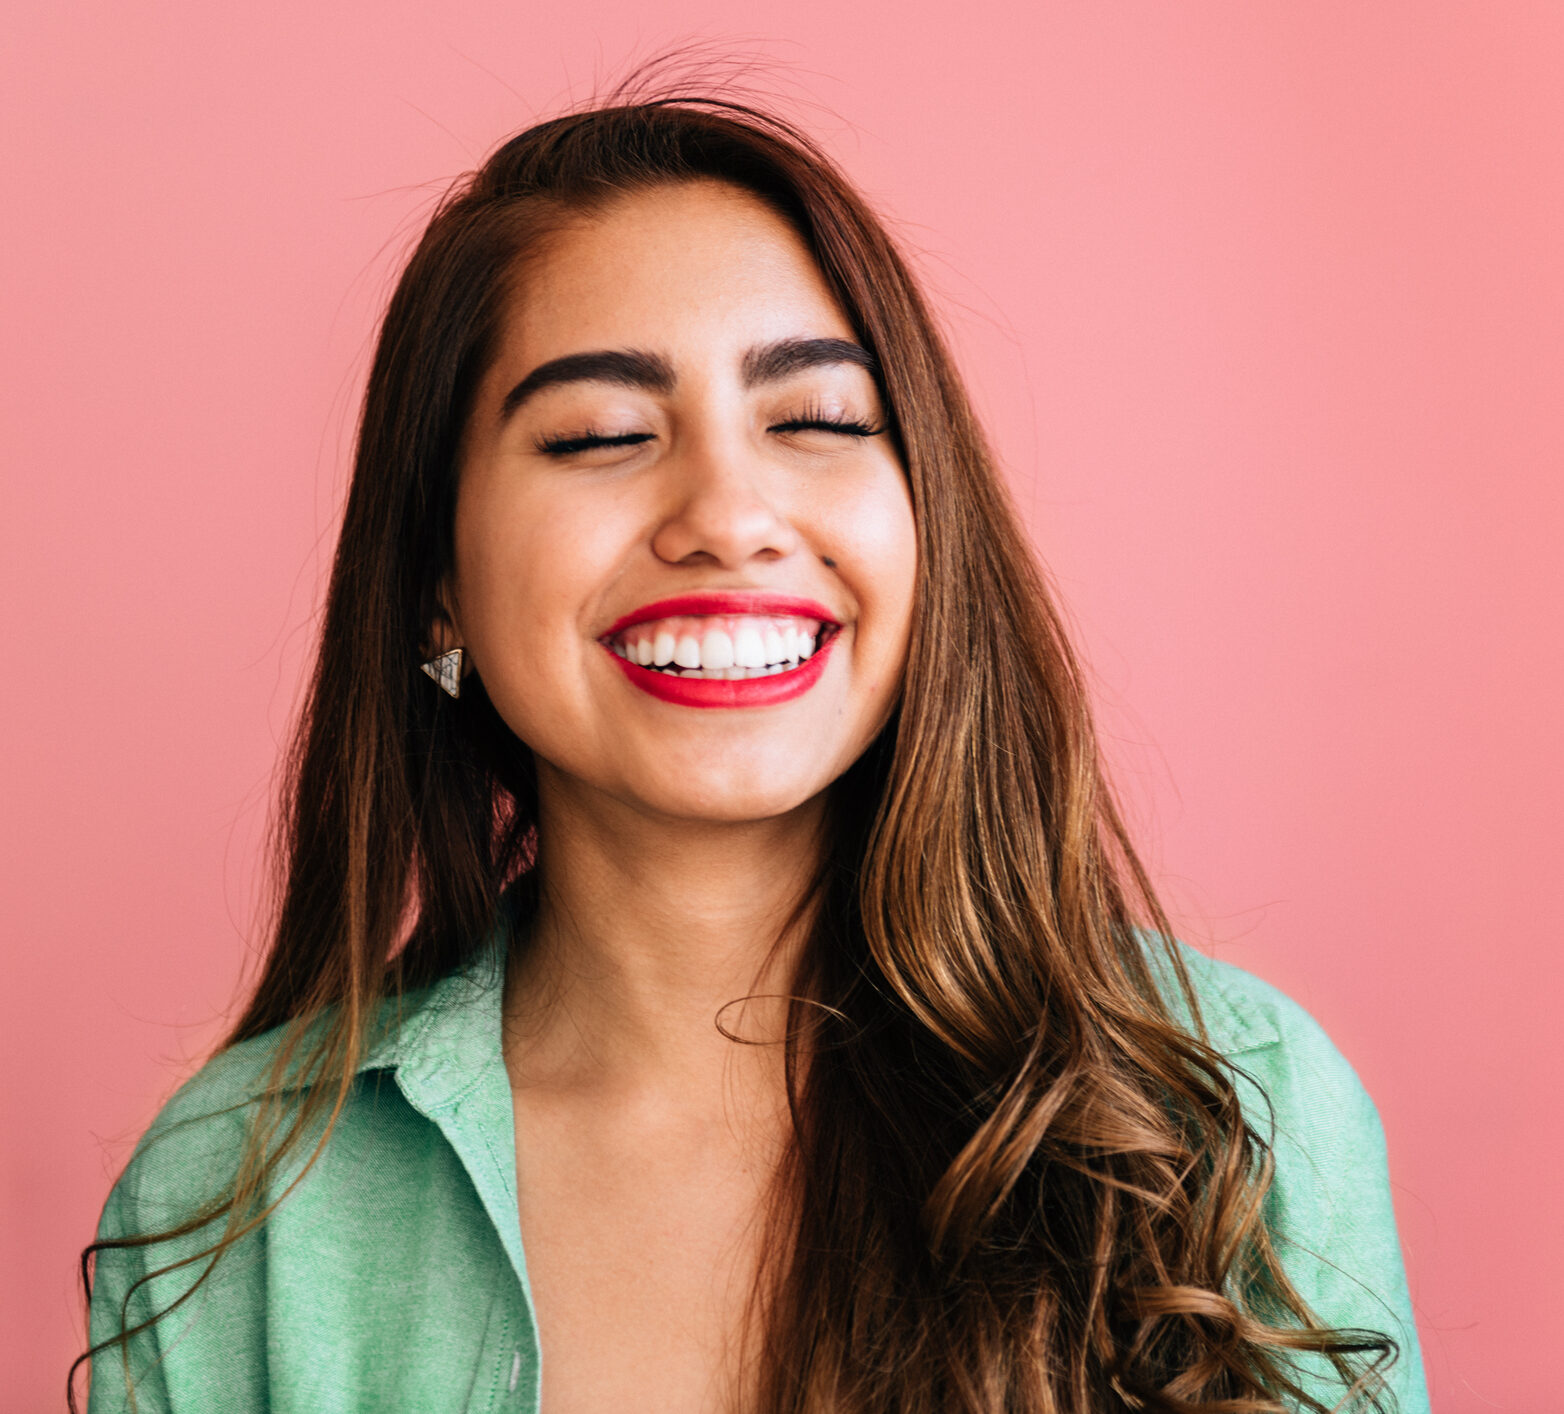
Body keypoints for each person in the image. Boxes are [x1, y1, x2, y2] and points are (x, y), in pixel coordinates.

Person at [77, 88, 1430, 1414]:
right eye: (601, 435)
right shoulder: (236, 1200)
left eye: (819, 421)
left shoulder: (1238, 1111)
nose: (728, 515)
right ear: (439, 582)